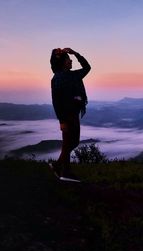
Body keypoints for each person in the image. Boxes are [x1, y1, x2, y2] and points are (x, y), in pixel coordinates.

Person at [49, 47, 91, 179]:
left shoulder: (66, 76)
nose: (71, 60)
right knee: (70, 143)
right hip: (68, 116)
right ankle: (64, 172)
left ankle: (60, 168)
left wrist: (75, 53)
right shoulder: (63, 78)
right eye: (68, 59)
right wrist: (61, 121)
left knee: (70, 143)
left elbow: (87, 67)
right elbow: (56, 101)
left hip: (72, 114)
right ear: (63, 62)